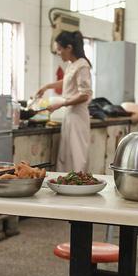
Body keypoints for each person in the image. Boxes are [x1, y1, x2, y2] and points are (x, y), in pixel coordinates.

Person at [36, 31, 93, 172]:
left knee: (76, 155)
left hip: (78, 116)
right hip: (70, 114)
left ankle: (78, 187)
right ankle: (68, 187)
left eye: (60, 49)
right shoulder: (72, 64)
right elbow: (67, 80)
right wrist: (47, 86)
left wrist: (61, 104)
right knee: (66, 155)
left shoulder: (82, 65)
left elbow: (84, 95)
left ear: (69, 48)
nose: (58, 53)